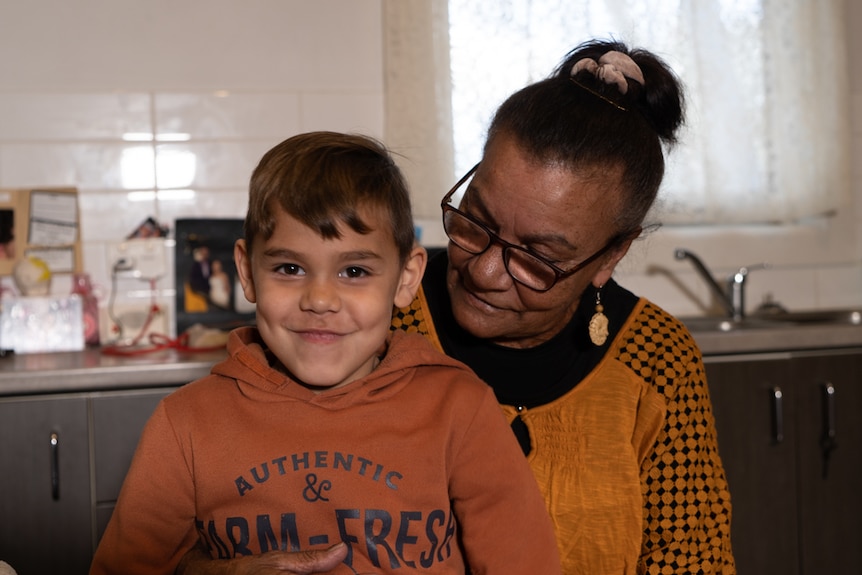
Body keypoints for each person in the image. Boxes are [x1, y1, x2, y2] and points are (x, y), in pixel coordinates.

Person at [178, 39, 736, 574]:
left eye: (538, 259)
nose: (485, 271)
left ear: (611, 255)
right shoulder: (368, 319)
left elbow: (693, 562)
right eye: (477, 220)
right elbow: (220, 511)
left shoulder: (658, 360)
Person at [89, 132, 561, 575]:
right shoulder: (185, 424)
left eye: (354, 271)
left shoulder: (461, 407)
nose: (319, 299)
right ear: (247, 273)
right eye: (290, 267)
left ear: (405, 278)